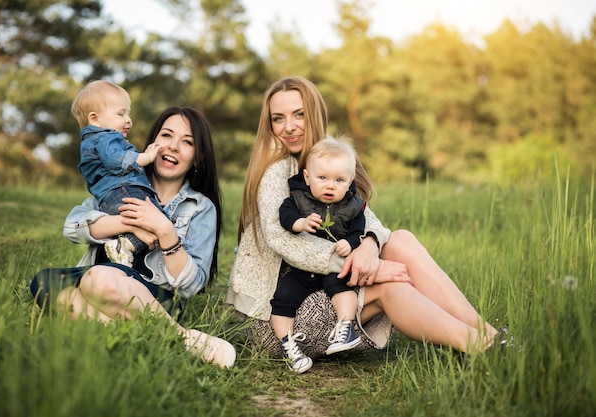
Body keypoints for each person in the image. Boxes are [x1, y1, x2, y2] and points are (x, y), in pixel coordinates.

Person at [227, 76, 504, 368]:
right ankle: (482, 348)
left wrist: (371, 246)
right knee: (390, 286)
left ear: (315, 114)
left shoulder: (329, 159)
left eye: (299, 114)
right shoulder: (275, 172)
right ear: (269, 125)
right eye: (278, 118)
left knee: (401, 240)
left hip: (323, 284)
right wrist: (367, 268)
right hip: (277, 314)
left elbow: (366, 217)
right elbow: (283, 239)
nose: (289, 126)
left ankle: (489, 335)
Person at [31, 106, 236, 369]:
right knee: (44, 283)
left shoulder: (200, 207)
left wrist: (164, 231)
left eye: (187, 142)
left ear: (197, 158)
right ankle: (164, 340)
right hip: (100, 287)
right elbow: (73, 226)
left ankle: (167, 335)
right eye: (166, 135)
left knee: (100, 277)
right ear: (153, 141)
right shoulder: (119, 185)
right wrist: (128, 222)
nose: (173, 146)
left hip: (155, 299)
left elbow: (192, 285)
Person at [272, 137, 365, 372]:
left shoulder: (354, 206)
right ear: (307, 178)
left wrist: (349, 242)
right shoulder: (298, 198)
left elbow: (358, 232)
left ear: (350, 182)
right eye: (322, 178)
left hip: (333, 266)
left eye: (339, 180)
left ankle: (346, 326)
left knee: (342, 286)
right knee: (283, 298)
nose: (330, 186)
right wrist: (301, 223)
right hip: (302, 268)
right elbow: (284, 216)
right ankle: (288, 345)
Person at [71, 79, 163, 267]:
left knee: (154, 230)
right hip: (123, 190)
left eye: (128, 113)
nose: (128, 120)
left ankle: (127, 244)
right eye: (121, 114)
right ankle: (125, 246)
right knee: (162, 223)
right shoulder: (104, 138)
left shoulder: (94, 142)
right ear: (95, 119)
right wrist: (147, 156)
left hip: (112, 197)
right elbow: (118, 161)